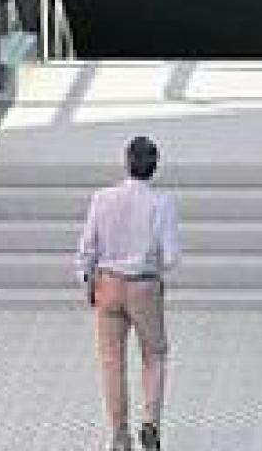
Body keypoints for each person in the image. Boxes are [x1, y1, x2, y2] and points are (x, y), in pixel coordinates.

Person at [76, 136, 181, 451]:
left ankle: (119, 434)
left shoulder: (102, 198)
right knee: (154, 353)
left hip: (107, 282)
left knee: (112, 361)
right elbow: (172, 255)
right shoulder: (162, 203)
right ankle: (150, 422)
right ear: (155, 167)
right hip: (144, 285)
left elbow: (86, 247)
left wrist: (87, 280)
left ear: (126, 162)